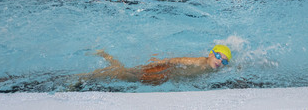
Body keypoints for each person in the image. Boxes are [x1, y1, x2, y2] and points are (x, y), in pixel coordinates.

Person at [79, 44, 232, 86]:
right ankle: (87, 75)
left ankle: (105, 57)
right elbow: (175, 60)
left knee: (126, 75)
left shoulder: (212, 68)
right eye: (218, 56)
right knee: (125, 75)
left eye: (224, 61)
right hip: (162, 71)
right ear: (211, 53)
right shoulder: (199, 61)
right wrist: (157, 64)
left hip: (164, 77)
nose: (220, 61)